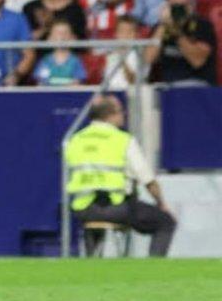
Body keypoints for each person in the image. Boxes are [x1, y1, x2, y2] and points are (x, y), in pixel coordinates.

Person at [65, 95, 177, 256]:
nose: (124, 115)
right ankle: (154, 268)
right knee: (165, 222)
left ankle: (92, 261)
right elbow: (147, 179)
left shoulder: (75, 140)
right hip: (117, 207)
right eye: (121, 112)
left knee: (94, 223)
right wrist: (161, 203)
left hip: (83, 208)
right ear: (110, 115)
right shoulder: (122, 140)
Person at [145, 0, 218, 85]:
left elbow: (197, 61)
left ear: (191, 4)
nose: (179, 10)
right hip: (167, 85)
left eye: (183, 6)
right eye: (175, 6)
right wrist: (163, 25)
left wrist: (177, 33)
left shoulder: (203, 26)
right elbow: (148, 59)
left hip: (196, 84)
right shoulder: (160, 27)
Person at [34, 19, 87, 84]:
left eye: (65, 33)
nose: (61, 36)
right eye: (57, 33)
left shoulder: (75, 60)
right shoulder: (45, 60)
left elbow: (77, 82)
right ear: (50, 38)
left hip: (69, 93)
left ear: (72, 38)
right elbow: (40, 82)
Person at [105, 14, 144, 89]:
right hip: (111, 92)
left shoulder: (137, 55)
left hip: (129, 94)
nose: (125, 35)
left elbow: (132, 80)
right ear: (116, 34)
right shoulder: (111, 54)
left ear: (135, 35)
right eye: (122, 31)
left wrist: (122, 59)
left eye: (129, 32)